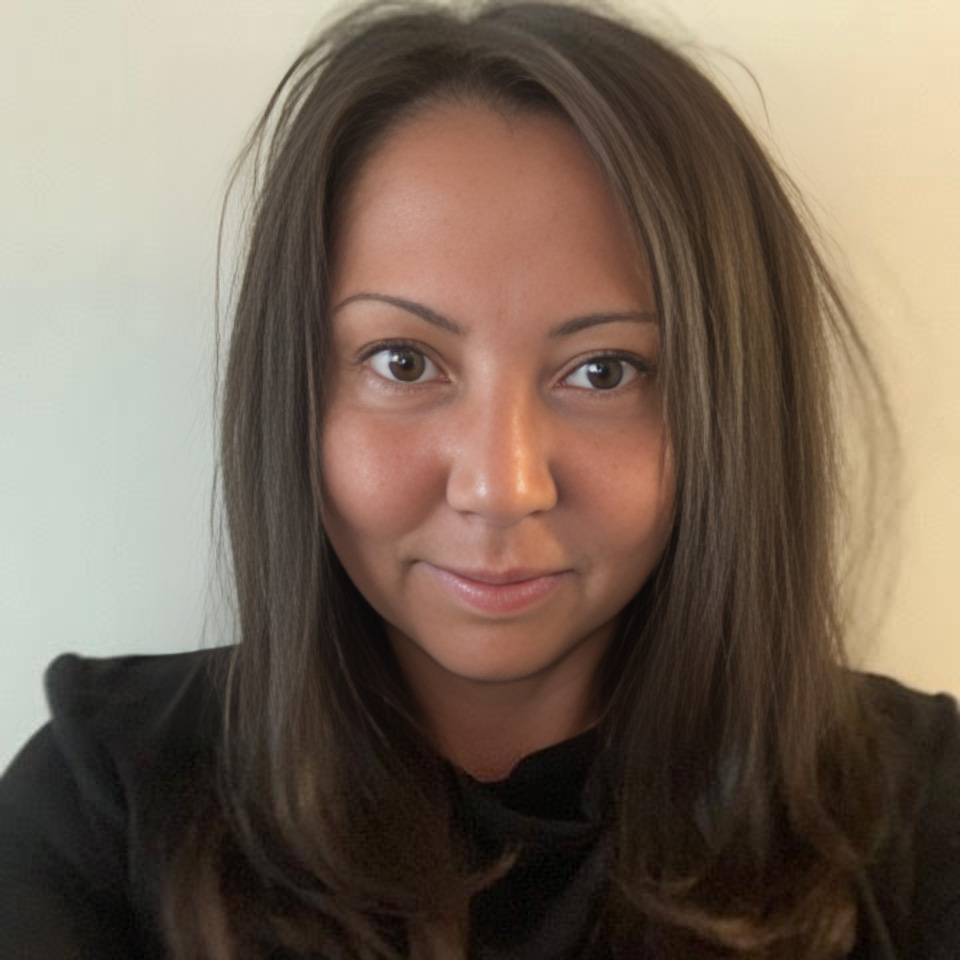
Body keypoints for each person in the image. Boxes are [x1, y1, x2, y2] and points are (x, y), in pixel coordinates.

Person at [1, 1, 958, 957]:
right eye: (404, 362)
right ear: (292, 391)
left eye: (605, 371)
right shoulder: (108, 810)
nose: (501, 487)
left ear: (733, 412)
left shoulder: (916, 820)